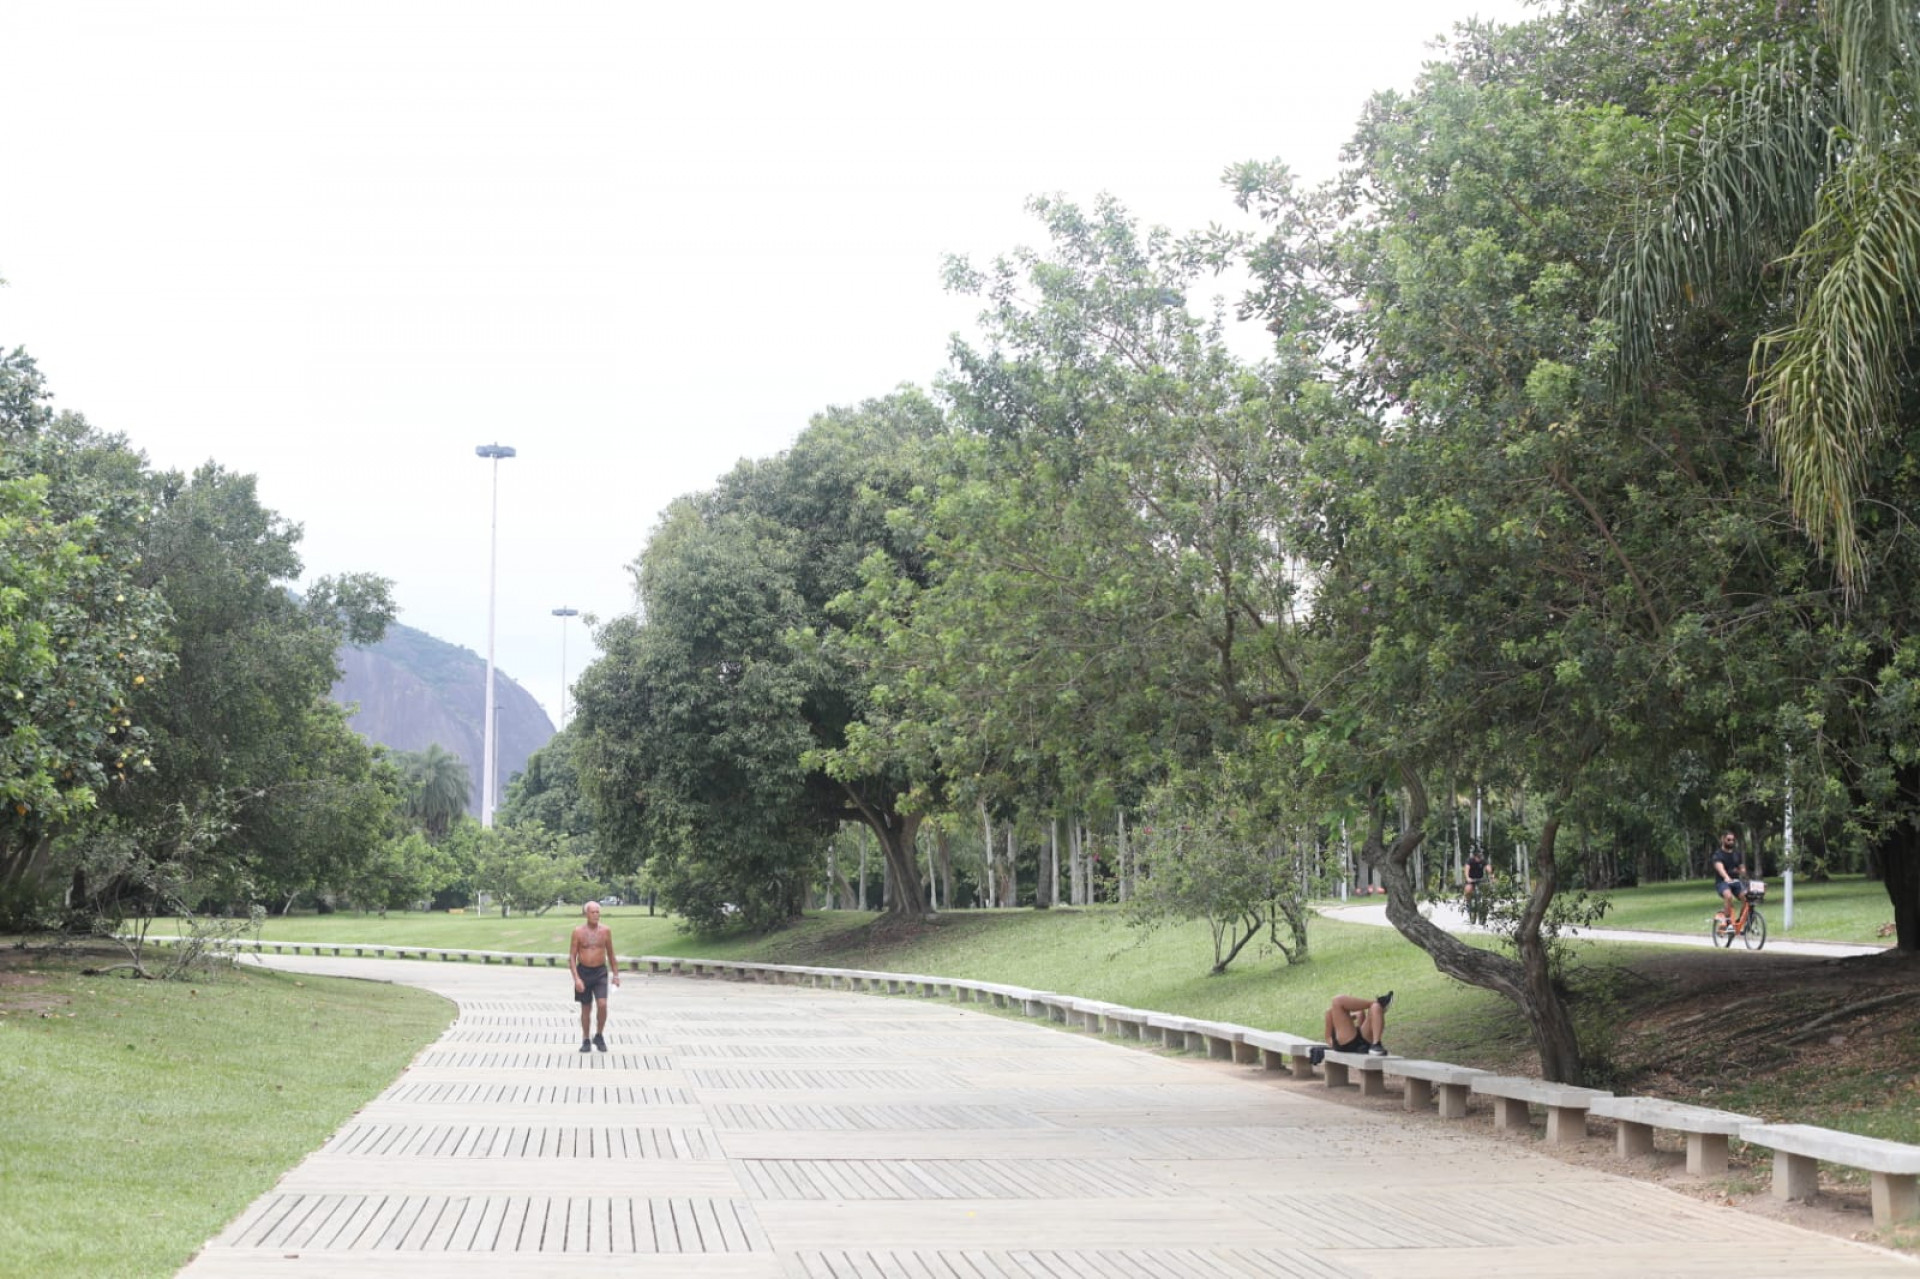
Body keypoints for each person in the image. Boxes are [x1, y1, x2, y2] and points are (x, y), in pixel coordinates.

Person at [569, 900, 620, 1052]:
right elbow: (572, 956)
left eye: (598, 912)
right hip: (583, 972)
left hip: (600, 972)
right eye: (593, 912)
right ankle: (585, 1038)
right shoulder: (578, 932)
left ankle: (599, 1034)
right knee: (586, 1008)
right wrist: (576, 978)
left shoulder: (605, 931)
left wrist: (616, 975)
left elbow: (611, 954)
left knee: (602, 1004)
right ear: (586, 914)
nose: (596, 915)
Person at [1308, 991, 1392, 1065]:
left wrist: (1355, 1016)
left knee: (1375, 1007)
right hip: (1345, 1043)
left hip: (1363, 1041)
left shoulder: (1359, 1011)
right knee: (1337, 1000)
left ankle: (1377, 1044)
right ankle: (1378, 1002)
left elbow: (1361, 1024)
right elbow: (1328, 1037)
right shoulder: (1330, 1012)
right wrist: (1331, 1047)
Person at [1711, 830, 1749, 924]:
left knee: (1747, 897)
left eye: (1733, 840)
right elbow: (1720, 868)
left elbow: (1741, 867)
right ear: (1722, 839)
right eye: (1728, 840)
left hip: (1735, 882)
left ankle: (1740, 921)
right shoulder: (1718, 855)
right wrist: (1726, 877)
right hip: (1722, 882)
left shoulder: (1736, 854)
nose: (1731, 842)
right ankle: (1727, 922)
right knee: (1728, 896)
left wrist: (1742, 871)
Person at [1463, 846, 1490, 922]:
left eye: (1481, 854)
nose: (1480, 855)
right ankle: (1468, 904)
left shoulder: (1483, 861)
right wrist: (1468, 878)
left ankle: (1484, 909)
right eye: (1479, 853)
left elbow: (1488, 868)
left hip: (1480, 880)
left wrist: (1491, 875)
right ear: (1475, 854)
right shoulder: (1470, 860)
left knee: (1486, 891)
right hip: (1471, 879)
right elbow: (1466, 869)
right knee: (1468, 890)